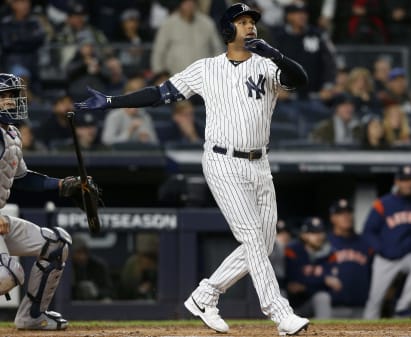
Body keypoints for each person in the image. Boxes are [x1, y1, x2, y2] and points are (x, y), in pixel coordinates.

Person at [73, 3, 309, 335]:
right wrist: (113, 101)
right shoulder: (207, 68)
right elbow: (159, 94)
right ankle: (279, 312)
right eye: (242, 22)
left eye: (252, 22)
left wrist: (275, 54)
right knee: (252, 238)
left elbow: (300, 79)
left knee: (263, 244)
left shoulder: (267, 66)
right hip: (222, 161)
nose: (249, 27)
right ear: (228, 30)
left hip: (260, 163)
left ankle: (205, 295)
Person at [0, 73, 96, 330]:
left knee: (56, 244)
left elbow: (22, 179)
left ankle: (31, 316)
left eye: (12, 96)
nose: (10, 101)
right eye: (3, 96)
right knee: (6, 275)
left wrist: (61, 185)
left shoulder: (11, 135)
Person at [362, 165, 411, 319]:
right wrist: (381, 249)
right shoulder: (383, 203)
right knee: (375, 300)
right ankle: (365, 330)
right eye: (404, 180)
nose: (408, 184)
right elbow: (368, 231)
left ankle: (403, 306)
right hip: (385, 259)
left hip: (407, 255)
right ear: (397, 182)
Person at [284, 217, 341, 319]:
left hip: (312, 303)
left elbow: (334, 286)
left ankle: (324, 332)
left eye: (320, 232)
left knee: (323, 297)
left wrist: (305, 285)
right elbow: (293, 282)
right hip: (291, 305)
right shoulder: (293, 250)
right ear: (304, 235)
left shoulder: (329, 252)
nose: (318, 236)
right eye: (313, 233)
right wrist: (324, 280)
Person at [150, 0, 224, 75]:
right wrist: (160, 75)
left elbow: (218, 49)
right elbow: (158, 52)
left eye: (192, 2)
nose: (190, 5)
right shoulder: (168, 24)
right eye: (186, 2)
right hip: (175, 78)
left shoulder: (207, 23)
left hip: (203, 78)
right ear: (180, 5)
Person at [327, 198, 372, 318]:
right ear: (332, 218)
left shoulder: (365, 242)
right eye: (340, 213)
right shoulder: (325, 243)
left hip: (363, 307)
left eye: (348, 213)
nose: (346, 216)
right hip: (333, 308)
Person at [71, 234, 113, 301]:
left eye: (84, 252)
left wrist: (96, 292)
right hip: (73, 303)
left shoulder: (98, 266)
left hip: (95, 303)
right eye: (78, 252)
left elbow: (109, 291)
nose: (82, 256)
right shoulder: (67, 267)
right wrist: (77, 290)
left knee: (106, 300)